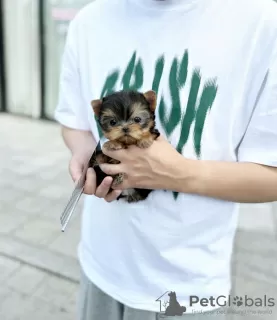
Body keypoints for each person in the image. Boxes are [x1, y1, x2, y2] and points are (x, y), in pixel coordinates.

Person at [54, 0, 277, 319]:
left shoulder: (263, 23)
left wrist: (176, 173)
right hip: (101, 265)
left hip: (188, 288)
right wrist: (83, 153)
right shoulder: (89, 20)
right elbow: (74, 122)